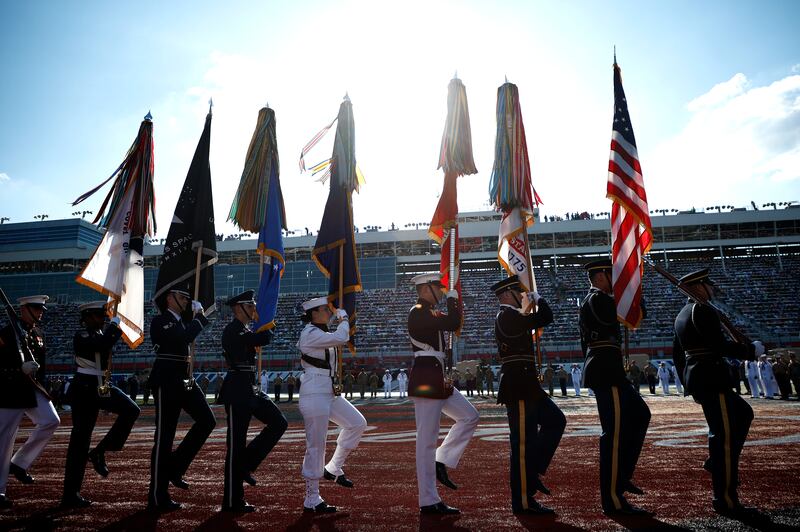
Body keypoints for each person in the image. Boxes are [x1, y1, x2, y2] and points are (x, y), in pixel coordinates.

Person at [673, 268, 764, 517]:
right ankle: (725, 500)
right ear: (699, 286)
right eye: (708, 285)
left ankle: (718, 462)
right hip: (712, 379)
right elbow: (718, 345)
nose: (711, 289)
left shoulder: (682, 314)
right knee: (722, 437)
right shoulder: (701, 310)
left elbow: (677, 355)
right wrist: (749, 351)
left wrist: (688, 382)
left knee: (743, 413)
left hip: (701, 379)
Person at [579, 260, 651, 515]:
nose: (616, 281)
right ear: (600, 276)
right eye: (612, 276)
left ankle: (621, 476)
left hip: (610, 369)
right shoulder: (596, 299)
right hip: (605, 371)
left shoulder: (600, 299)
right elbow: (631, 311)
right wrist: (631, 290)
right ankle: (613, 497)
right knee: (615, 433)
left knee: (641, 415)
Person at [492, 275, 565, 515]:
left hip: (527, 383)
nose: (522, 296)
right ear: (505, 295)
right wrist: (540, 300)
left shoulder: (514, 316)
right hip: (518, 385)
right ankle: (523, 501)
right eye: (518, 292)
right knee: (522, 444)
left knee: (556, 420)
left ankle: (532, 472)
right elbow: (546, 317)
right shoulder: (507, 316)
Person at [407, 273, 478, 515]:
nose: (440, 290)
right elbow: (452, 322)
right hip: (427, 377)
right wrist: (452, 300)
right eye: (438, 287)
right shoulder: (418, 311)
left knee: (469, 416)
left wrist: (451, 300)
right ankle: (428, 500)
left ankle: (442, 458)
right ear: (426, 289)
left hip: (437, 376)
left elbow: (452, 323)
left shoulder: (427, 311)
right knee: (426, 441)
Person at [62, 301, 141, 508]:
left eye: (102, 316)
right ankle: (70, 494)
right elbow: (101, 345)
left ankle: (101, 450)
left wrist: (114, 325)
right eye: (97, 316)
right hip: (85, 389)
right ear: (86, 318)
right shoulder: (83, 335)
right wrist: (114, 326)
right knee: (80, 441)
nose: (102, 319)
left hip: (102, 386)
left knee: (131, 410)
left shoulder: (101, 334)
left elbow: (105, 343)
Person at [147, 284, 216, 511]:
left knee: (208, 420)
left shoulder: (181, 322)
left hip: (185, 380)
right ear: (170, 298)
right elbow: (181, 339)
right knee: (165, 438)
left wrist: (196, 320)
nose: (186, 301)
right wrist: (199, 319)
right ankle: (157, 495)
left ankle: (176, 467)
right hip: (166, 381)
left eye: (188, 297)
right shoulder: (161, 321)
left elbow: (184, 335)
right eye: (182, 297)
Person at [218, 290, 288, 512]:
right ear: (239, 308)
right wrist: (268, 321)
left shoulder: (244, 330)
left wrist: (266, 321)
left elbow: (258, 338)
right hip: (237, 390)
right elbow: (262, 338)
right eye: (251, 306)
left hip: (249, 388)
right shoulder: (233, 330)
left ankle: (246, 464)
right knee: (235, 446)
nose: (254, 309)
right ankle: (232, 501)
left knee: (279, 423)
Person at [297, 296, 367, 513]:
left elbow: (337, 339)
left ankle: (334, 467)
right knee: (316, 445)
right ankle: (312, 498)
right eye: (325, 309)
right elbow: (341, 336)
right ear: (314, 313)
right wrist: (344, 317)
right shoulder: (310, 333)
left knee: (357, 423)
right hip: (314, 390)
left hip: (328, 390)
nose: (329, 311)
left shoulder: (320, 333)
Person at [0, 295, 60, 509]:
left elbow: (39, 366)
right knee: (4, 441)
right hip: (10, 391)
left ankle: (19, 463)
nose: (41, 311)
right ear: (23, 309)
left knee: (51, 420)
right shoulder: (7, 333)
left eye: (41, 308)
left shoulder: (37, 334)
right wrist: (18, 370)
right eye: (36, 308)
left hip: (32, 389)